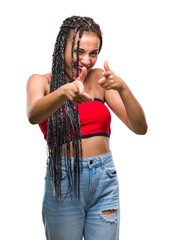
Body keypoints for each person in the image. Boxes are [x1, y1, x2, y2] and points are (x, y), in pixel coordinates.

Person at [26, 16, 147, 240]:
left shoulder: (100, 79)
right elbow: (33, 114)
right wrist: (63, 92)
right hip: (63, 180)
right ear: (61, 46)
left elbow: (140, 127)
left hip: (104, 179)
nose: (86, 60)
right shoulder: (41, 82)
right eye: (78, 51)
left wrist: (123, 87)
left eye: (93, 53)